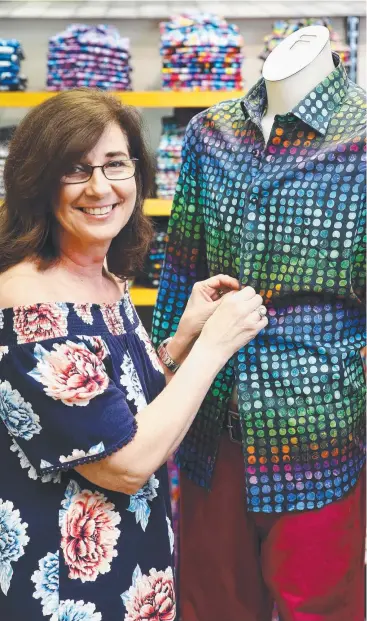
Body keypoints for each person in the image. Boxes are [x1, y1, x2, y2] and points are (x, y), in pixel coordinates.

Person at [0, 88, 268, 621]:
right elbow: (125, 463)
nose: (101, 187)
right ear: (37, 181)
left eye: (115, 164)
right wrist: (212, 349)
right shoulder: (31, 303)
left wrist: (180, 341)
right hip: (62, 589)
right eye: (76, 169)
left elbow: (124, 410)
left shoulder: (103, 279)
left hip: (128, 573)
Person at [152, 25, 366, 621]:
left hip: (318, 436)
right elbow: (181, 274)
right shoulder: (211, 132)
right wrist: (158, 398)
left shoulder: (362, 141)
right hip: (209, 425)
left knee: (320, 606)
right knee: (209, 604)